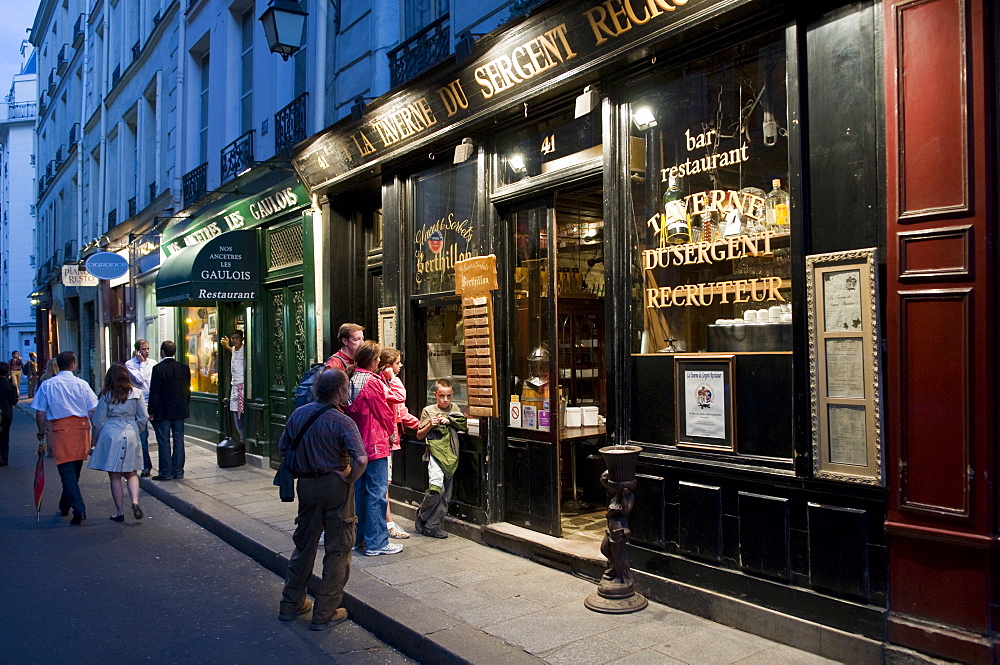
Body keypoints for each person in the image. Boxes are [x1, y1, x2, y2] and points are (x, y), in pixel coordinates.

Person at [278, 369, 368, 631]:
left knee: (304, 545)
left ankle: (290, 604)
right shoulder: (342, 422)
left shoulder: (298, 414)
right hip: (335, 485)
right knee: (338, 549)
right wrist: (349, 477)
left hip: (306, 485)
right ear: (340, 391)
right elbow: (361, 459)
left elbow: (283, 448)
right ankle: (325, 612)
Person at [343, 340, 400, 556]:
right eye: (376, 359)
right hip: (375, 443)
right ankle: (377, 542)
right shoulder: (372, 382)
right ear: (372, 360)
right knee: (377, 493)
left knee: (359, 493)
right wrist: (390, 433)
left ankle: (358, 539)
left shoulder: (351, 378)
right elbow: (383, 412)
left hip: (356, 444)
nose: (378, 362)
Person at [31, 351, 99, 525]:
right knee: (74, 471)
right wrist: (96, 432)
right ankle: (64, 505)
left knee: (66, 472)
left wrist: (41, 431)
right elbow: (93, 409)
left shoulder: (48, 385)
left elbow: (40, 412)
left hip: (60, 430)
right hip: (81, 429)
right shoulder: (82, 384)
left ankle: (79, 509)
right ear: (73, 364)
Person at [88, 363, 148, 522]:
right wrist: (138, 430)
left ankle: (119, 512)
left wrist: (95, 438)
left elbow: (98, 420)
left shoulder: (106, 395)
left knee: (114, 476)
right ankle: (135, 501)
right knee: (132, 472)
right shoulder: (137, 393)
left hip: (111, 431)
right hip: (131, 431)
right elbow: (143, 417)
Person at [414, 379, 468, 539]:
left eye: (449, 396)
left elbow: (464, 427)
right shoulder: (428, 410)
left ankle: (432, 526)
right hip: (435, 453)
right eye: (442, 396)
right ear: (435, 395)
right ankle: (422, 514)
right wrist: (431, 424)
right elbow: (419, 435)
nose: (445, 400)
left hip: (451, 453)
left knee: (446, 494)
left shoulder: (455, 409)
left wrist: (451, 421)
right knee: (436, 488)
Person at [378, 348, 419, 540]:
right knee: (382, 484)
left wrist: (423, 425)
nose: (400, 366)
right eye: (397, 363)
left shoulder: (388, 384)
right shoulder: (383, 384)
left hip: (391, 441)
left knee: (384, 483)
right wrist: (393, 378)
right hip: (382, 441)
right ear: (388, 366)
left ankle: (385, 522)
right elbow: (399, 397)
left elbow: (401, 413)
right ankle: (388, 524)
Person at [148, 340, 191, 481]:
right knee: (179, 440)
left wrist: (151, 411)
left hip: (163, 411)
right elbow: (187, 391)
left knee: (164, 441)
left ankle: (166, 472)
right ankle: (178, 471)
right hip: (179, 410)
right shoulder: (184, 368)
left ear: (162, 352)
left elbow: (154, 392)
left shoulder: (158, 369)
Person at [124, 339, 154, 476]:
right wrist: (141, 364)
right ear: (137, 351)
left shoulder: (153, 363)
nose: (146, 352)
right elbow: (140, 380)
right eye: (143, 349)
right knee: (142, 436)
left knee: (162, 435)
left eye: (147, 349)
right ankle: (146, 466)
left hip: (152, 403)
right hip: (138, 404)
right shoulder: (129, 365)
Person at [219, 330, 246, 442]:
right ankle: (240, 435)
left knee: (242, 412)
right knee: (235, 412)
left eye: (237, 338)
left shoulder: (245, 350)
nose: (235, 340)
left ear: (242, 339)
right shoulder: (234, 349)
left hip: (242, 386)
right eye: (233, 338)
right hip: (234, 385)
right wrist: (227, 347)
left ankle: (243, 437)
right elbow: (233, 351)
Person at [38, 358, 60, 458]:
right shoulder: (60, 379)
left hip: (48, 407)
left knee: (49, 429)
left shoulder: (44, 378)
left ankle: (51, 450)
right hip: (59, 406)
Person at [0, 362, 19, 466]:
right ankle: (4, 458)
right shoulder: (11, 386)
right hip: (6, 412)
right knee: (5, 435)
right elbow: (13, 401)